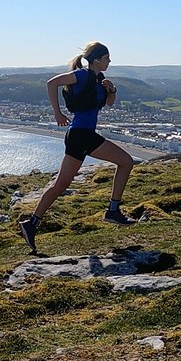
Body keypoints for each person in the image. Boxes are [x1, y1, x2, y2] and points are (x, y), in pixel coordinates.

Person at [18, 41, 135, 253]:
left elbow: (109, 103)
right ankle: (113, 210)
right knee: (126, 162)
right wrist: (57, 112)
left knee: (60, 184)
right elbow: (51, 83)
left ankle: (31, 224)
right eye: (107, 58)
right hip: (81, 135)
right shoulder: (80, 75)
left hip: (81, 135)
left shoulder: (99, 79)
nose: (110, 61)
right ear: (97, 59)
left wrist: (112, 89)